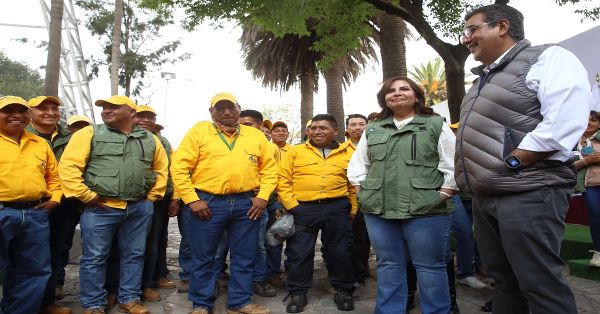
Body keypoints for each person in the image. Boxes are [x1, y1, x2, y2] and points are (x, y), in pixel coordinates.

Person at [455, 4, 592, 313]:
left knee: (539, 283)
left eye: (471, 29)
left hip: (528, 191)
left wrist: (513, 163)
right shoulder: (481, 81)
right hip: (485, 196)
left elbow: (563, 122)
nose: (466, 39)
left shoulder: (548, 58)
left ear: (502, 26)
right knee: (503, 281)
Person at [347, 76, 457, 313]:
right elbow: (358, 166)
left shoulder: (435, 124)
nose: (396, 93)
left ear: (416, 96)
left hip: (427, 211)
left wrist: (442, 196)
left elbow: (454, 164)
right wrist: (363, 195)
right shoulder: (373, 129)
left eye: (404, 89)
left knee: (430, 267)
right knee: (388, 265)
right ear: (384, 99)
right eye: (391, 90)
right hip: (378, 211)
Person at [59, 95, 168, 314]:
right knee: (95, 257)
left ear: (131, 112)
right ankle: (93, 303)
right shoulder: (88, 133)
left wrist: (152, 197)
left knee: (135, 254)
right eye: (104, 108)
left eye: (113, 107)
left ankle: (129, 298)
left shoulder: (149, 138)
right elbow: (68, 167)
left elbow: (161, 169)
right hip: (101, 209)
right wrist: (87, 196)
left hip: (139, 208)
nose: (106, 111)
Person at [170, 92, 277, 314]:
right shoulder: (199, 131)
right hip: (207, 203)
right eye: (220, 108)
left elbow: (269, 169)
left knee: (245, 255)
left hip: (246, 203)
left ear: (239, 109)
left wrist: (263, 196)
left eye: (231, 107)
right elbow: (179, 168)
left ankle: (240, 301)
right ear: (212, 112)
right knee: (204, 256)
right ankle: (201, 304)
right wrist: (192, 199)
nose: (227, 112)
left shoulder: (254, 135)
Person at [278, 114, 357, 313]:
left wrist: (353, 208)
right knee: (299, 253)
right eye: (313, 128)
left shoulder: (347, 153)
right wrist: (294, 207)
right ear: (308, 131)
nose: (317, 131)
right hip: (303, 209)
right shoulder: (295, 152)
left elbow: (353, 184)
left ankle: (343, 290)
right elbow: (283, 180)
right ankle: (298, 292)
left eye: (323, 128)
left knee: (340, 251)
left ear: (335, 132)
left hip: (337, 208)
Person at [0, 96, 62, 314]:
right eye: (8, 111)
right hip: (2, 212)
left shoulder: (40, 144)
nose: (16, 115)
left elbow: (54, 178)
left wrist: (54, 199)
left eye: (21, 111)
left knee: (35, 270)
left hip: (35, 214)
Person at [26, 95, 77, 314]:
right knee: (26, 256)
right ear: (30, 113)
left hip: (65, 205)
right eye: (42, 109)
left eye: (54, 108)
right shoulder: (21, 135)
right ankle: (24, 302)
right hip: (32, 205)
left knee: (57, 252)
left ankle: (48, 300)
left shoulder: (72, 137)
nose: (50, 112)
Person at [133, 104, 181, 301]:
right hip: (137, 198)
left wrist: (175, 197)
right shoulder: (126, 138)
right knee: (141, 245)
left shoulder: (164, 142)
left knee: (158, 240)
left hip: (160, 199)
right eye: (141, 116)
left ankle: (156, 277)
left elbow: (173, 171)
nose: (145, 120)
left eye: (150, 117)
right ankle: (141, 284)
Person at [344, 114, 371, 284]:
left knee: (367, 239)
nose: (357, 127)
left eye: (361, 124)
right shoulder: (340, 151)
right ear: (347, 129)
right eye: (352, 124)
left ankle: (364, 267)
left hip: (373, 199)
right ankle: (355, 273)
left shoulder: (375, 146)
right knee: (354, 240)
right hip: (350, 202)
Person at [265, 120, 290, 288]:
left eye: (284, 130)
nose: (280, 133)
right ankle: (259, 273)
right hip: (261, 199)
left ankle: (274, 273)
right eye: (277, 130)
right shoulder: (264, 148)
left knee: (276, 237)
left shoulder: (294, 151)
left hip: (281, 201)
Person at [574, 111, 600, 268]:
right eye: (586, 119)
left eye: (594, 120)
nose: (590, 122)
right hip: (589, 186)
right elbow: (566, 166)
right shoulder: (572, 140)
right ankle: (598, 253)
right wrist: (587, 161)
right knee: (596, 217)